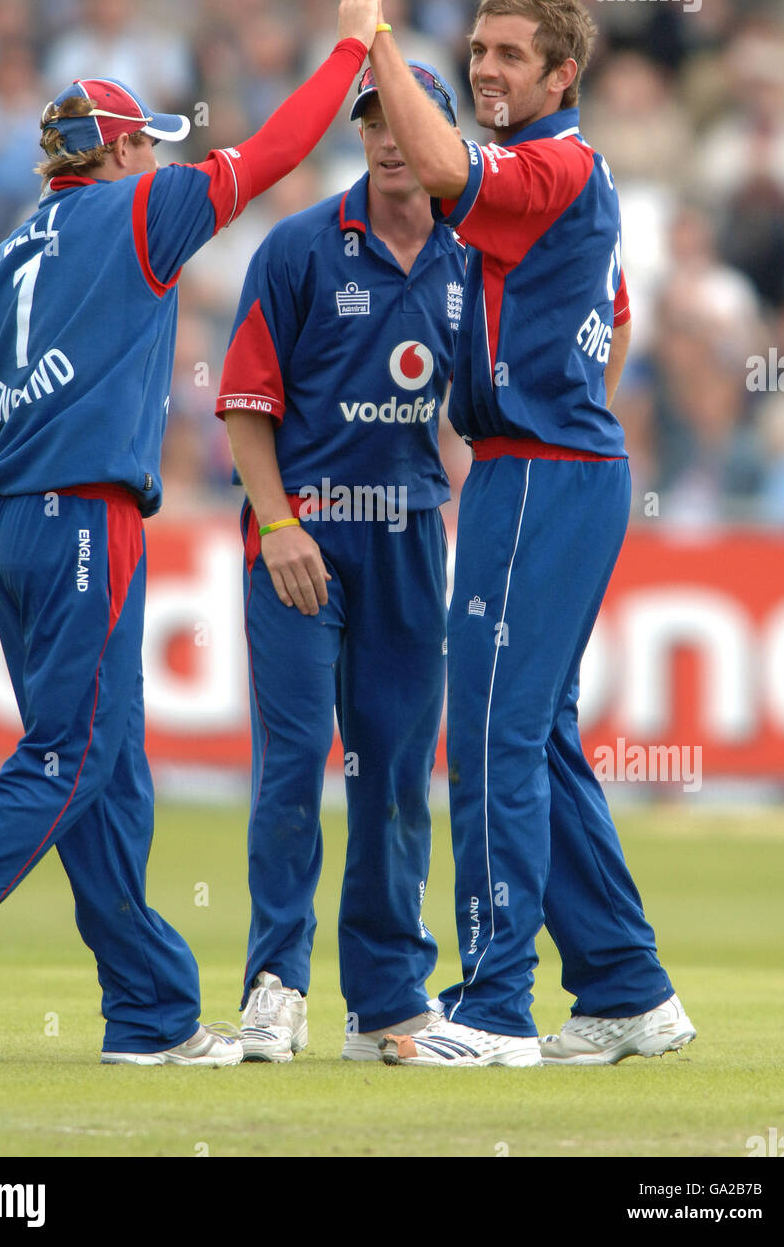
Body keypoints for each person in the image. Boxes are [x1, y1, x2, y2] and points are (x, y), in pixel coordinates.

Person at [0, 0, 389, 1067]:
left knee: (108, 770)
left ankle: (153, 1013)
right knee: (71, 757)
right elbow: (274, 153)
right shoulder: (142, 212)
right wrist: (352, 39)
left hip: (7, 525)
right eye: (143, 143)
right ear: (115, 154)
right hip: (82, 522)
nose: (156, 156)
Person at [327, 0, 695, 1067]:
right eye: (478, 49)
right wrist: (568, 401)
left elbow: (441, 170)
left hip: (540, 474)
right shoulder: (560, 181)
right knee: (537, 736)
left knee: (490, 735)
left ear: (560, 75)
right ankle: (628, 988)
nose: (486, 68)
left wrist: (375, 37)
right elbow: (618, 314)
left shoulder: (557, 164)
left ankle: (493, 1008)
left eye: (508, 55)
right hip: (547, 467)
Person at [216, 60, 465, 1062]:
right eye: (373, 118)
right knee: (291, 769)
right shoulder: (300, 247)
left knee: (399, 775)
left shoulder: (475, 255)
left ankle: (388, 1006)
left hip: (410, 533)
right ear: (358, 131)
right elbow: (243, 403)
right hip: (302, 538)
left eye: (408, 118)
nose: (390, 136)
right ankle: (276, 982)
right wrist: (279, 528)